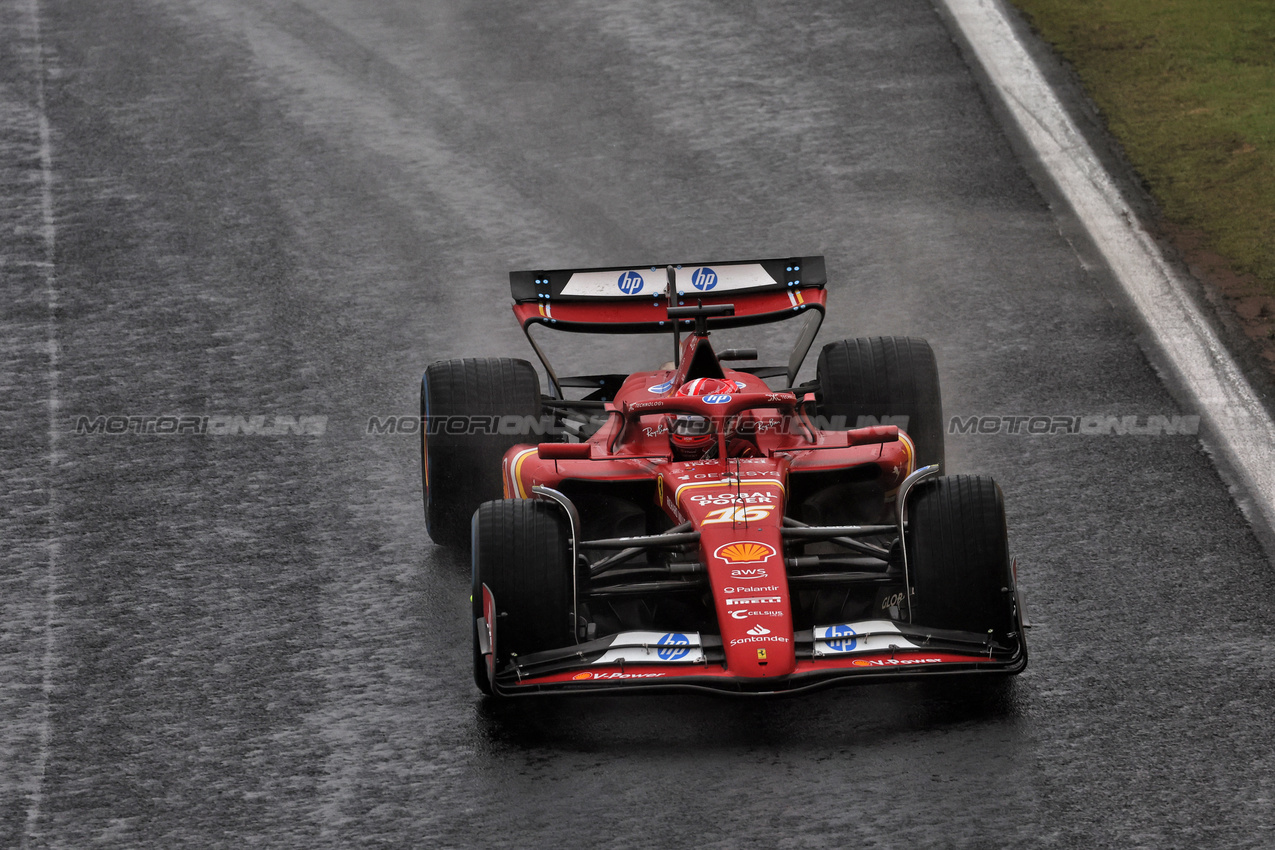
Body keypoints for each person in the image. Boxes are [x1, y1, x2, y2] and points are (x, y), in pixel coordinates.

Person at [665, 378, 759, 460]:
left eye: (699, 426)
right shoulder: (664, 443)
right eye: (681, 425)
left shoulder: (743, 450)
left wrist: (753, 460)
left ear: (728, 424)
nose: (687, 433)